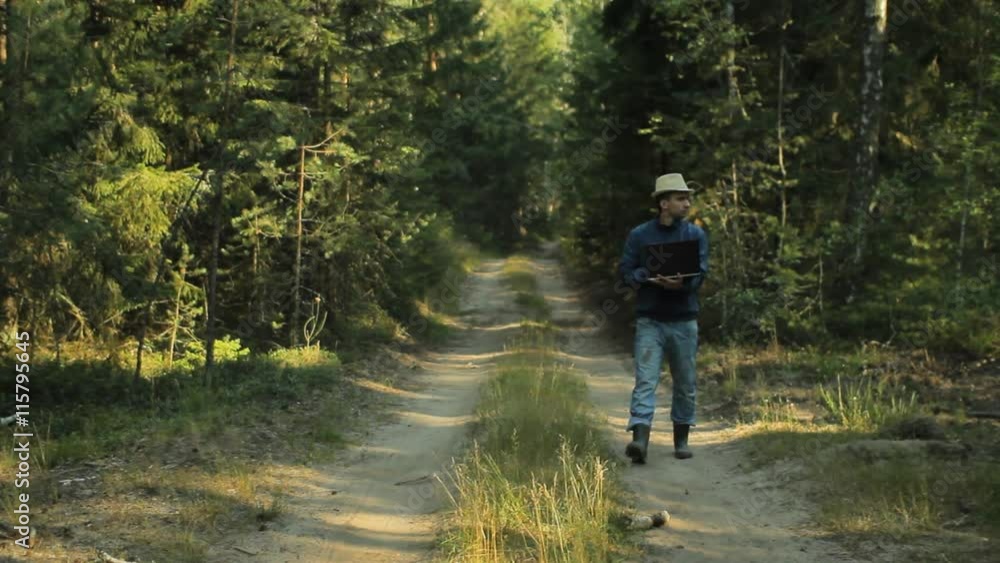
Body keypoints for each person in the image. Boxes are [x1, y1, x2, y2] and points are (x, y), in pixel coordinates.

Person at [619, 173, 708, 463]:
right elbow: (625, 272)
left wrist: (682, 284)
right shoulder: (640, 235)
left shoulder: (695, 235)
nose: (687, 204)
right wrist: (649, 277)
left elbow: (701, 273)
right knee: (645, 380)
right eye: (681, 199)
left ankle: (681, 441)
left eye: (687, 199)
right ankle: (639, 440)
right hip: (650, 319)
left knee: (685, 382)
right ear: (664, 203)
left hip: (684, 319)